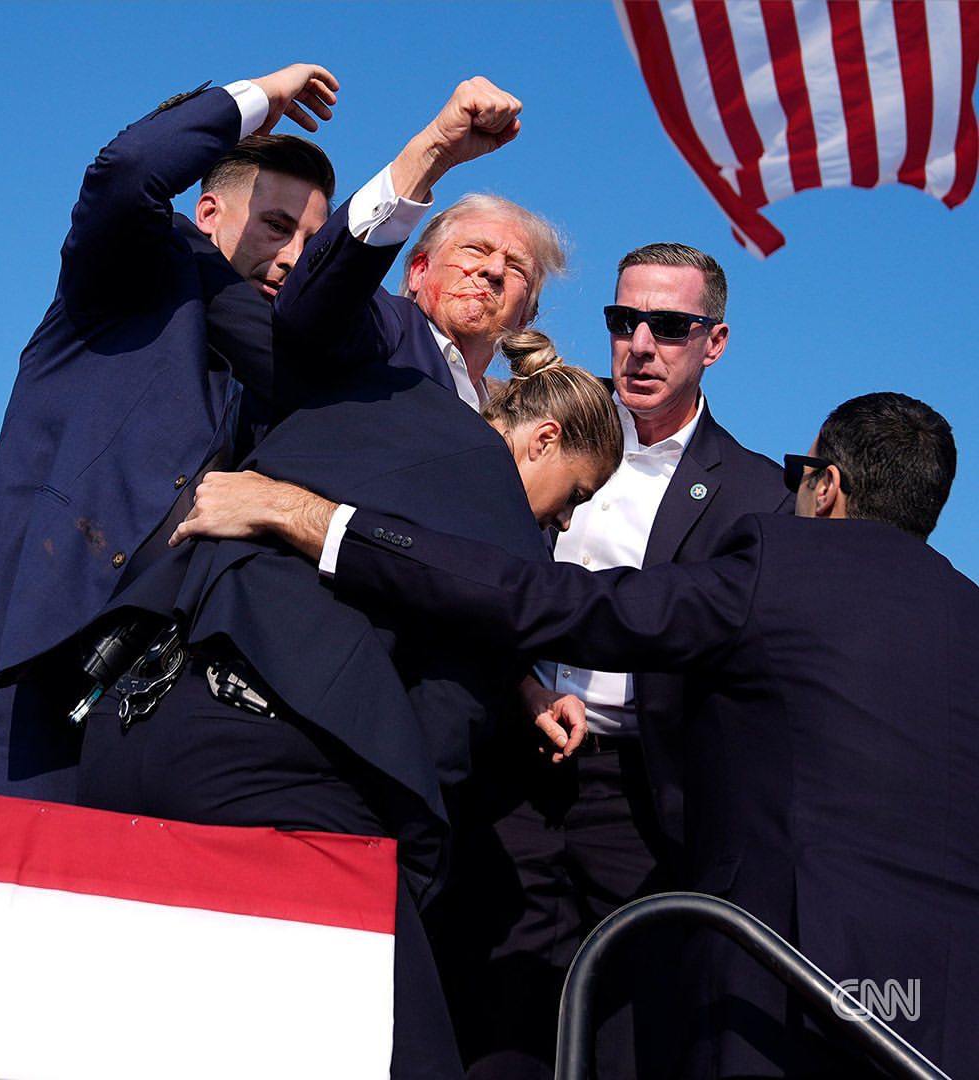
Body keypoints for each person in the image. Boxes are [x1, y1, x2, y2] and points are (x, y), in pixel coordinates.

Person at [242, 391, 973, 1078]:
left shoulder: (782, 569)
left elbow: (560, 604)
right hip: (947, 1001)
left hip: (786, 978)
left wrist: (326, 524)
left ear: (827, 485)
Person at [70, 330, 621, 1080]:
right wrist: (412, 867)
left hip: (130, 732)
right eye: (575, 497)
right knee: (407, 1051)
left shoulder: (376, 396)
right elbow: (441, 730)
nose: (561, 524)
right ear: (542, 439)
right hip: (275, 780)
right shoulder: (506, 528)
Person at [0, 64, 351, 802]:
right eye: (277, 225)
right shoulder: (131, 277)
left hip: (129, 713)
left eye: (312, 239)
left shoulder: (274, 372)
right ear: (206, 213)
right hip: (8, 681)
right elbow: (129, 169)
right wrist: (258, 97)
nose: (295, 255)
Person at [455, 243, 792, 1078]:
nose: (641, 343)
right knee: (494, 1013)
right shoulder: (528, 425)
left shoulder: (757, 493)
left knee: (629, 1032)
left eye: (669, 326)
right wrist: (519, 685)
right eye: (622, 320)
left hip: (643, 794)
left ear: (713, 343)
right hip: (509, 759)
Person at [164, 77, 567, 542]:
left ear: (528, 315)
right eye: (475, 250)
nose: (493, 270)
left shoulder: (508, 434)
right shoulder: (380, 325)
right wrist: (431, 154)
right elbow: (312, 306)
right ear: (417, 272)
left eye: (516, 267)